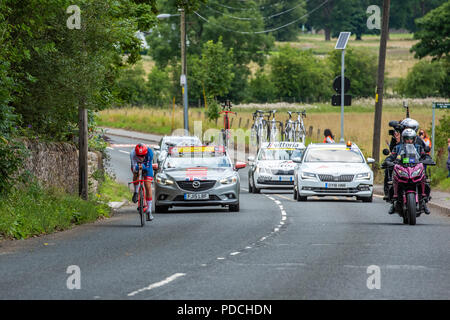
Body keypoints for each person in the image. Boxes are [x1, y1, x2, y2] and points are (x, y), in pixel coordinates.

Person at [385, 129, 430, 215]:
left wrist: (428, 159)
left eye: (411, 139)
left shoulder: (418, 147)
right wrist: (388, 161)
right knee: (393, 178)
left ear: (414, 139)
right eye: (407, 139)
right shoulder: (398, 147)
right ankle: (394, 201)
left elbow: (424, 156)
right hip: (402, 167)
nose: (409, 141)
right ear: (403, 139)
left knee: (424, 178)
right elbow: (392, 156)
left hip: (415, 167)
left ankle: (424, 200)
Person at [130, 143, 154, 221]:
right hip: (136, 164)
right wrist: (137, 168)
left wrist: (142, 166)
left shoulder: (150, 153)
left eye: (143, 155)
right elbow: (134, 168)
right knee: (136, 174)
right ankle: (136, 192)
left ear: (146, 153)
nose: (141, 158)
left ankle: (149, 210)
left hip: (147, 165)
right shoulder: (132, 154)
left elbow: (147, 167)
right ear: (136, 153)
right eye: (139, 156)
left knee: (147, 184)